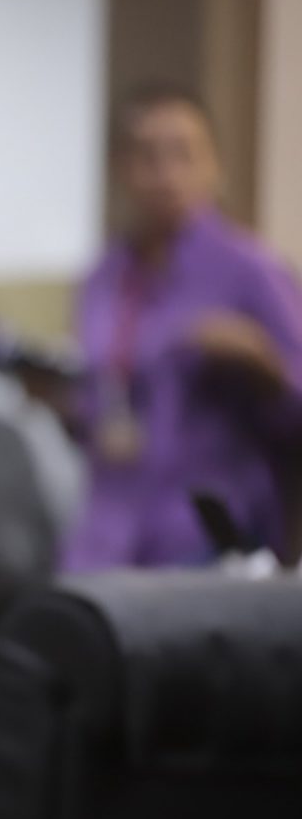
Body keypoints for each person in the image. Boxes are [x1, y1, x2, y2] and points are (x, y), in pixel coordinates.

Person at [62, 83, 302, 570]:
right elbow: (98, 399)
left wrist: (262, 362)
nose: (166, 175)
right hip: (109, 530)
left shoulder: (249, 270)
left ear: (216, 166)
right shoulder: (103, 277)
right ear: (121, 169)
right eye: (148, 157)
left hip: (206, 533)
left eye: (184, 155)